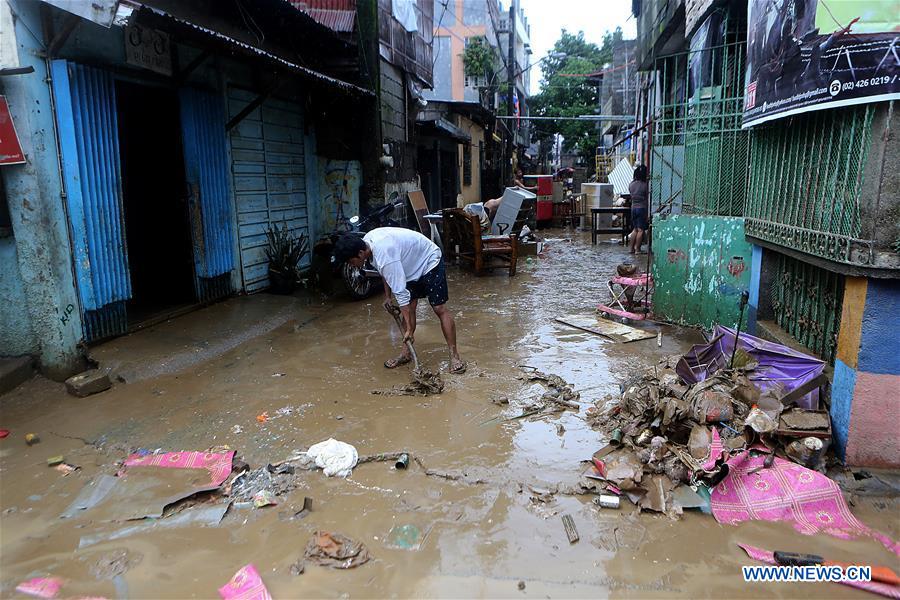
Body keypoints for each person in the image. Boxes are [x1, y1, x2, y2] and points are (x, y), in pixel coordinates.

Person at [333, 228, 465, 373]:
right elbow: (385, 272)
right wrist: (388, 296)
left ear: (360, 253)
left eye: (351, 261)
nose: (351, 265)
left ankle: (454, 356)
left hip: (429, 259)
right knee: (411, 306)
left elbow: (399, 289)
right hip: (408, 265)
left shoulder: (384, 253)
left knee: (438, 308)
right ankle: (406, 354)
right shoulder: (368, 244)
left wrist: (408, 328)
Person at [627, 165, 649, 254]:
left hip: (633, 208)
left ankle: (631, 249)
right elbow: (647, 198)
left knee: (635, 229)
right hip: (641, 208)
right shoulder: (645, 185)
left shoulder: (631, 184)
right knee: (641, 230)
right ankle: (638, 249)